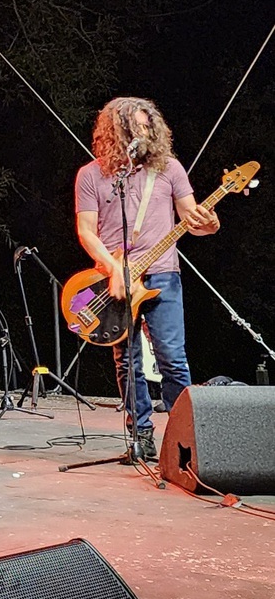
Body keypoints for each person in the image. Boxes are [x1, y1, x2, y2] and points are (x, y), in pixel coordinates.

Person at [74, 97, 219, 459]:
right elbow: (86, 231)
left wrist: (209, 224)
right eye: (135, 127)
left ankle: (186, 438)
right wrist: (112, 268)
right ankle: (140, 433)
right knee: (128, 361)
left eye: (147, 126)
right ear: (116, 131)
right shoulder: (91, 175)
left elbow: (190, 218)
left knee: (173, 357)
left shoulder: (169, 169)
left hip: (163, 275)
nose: (144, 133)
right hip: (117, 280)